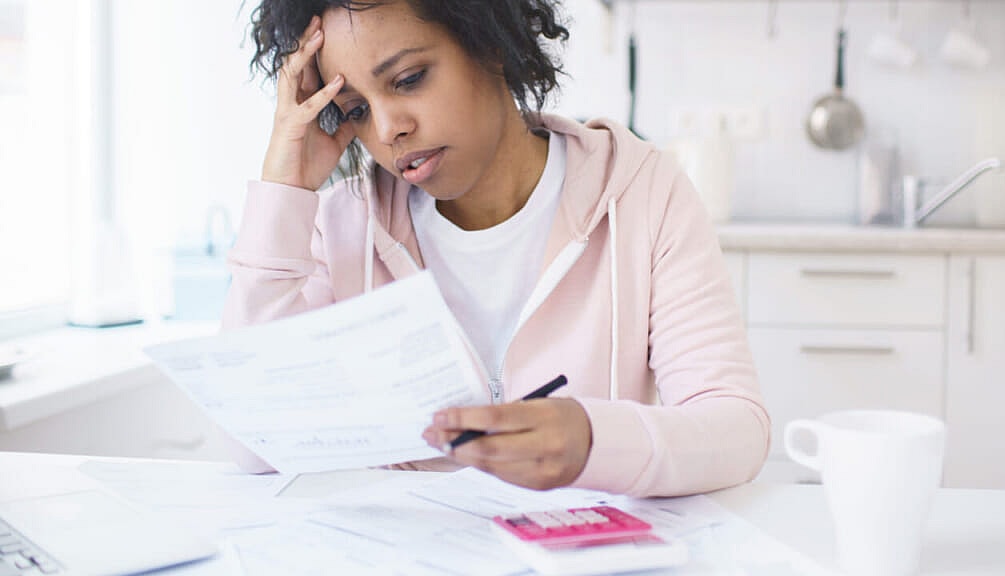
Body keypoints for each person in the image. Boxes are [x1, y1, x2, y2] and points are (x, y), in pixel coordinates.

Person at [224, 0, 769, 498]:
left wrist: (591, 440)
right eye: (355, 111)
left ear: (490, 44)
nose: (389, 129)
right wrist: (284, 191)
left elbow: (736, 428)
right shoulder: (341, 225)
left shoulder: (643, 193)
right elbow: (255, 443)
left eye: (409, 79)